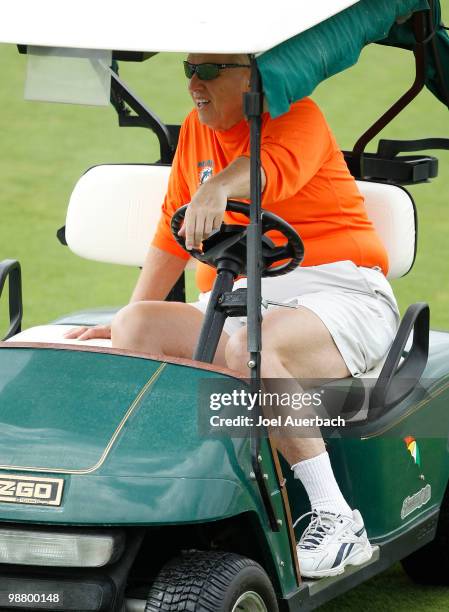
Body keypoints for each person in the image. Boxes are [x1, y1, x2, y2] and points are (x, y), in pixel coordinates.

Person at [65, 53, 400, 578]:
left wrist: (218, 186)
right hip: (240, 291)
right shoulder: (198, 131)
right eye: (189, 70)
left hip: (339, 291)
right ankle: (154, 494)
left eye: (212, 70)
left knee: (250, 345)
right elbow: (169, 234)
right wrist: (130, 311)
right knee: (136, 327)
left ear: (256, 76)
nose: (196, 83)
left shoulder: (299, 117)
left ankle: (337, 516)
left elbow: (267, 173)